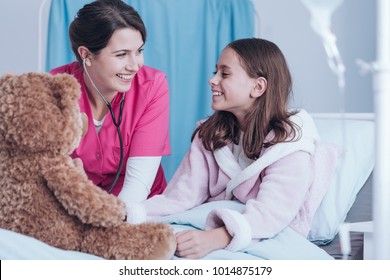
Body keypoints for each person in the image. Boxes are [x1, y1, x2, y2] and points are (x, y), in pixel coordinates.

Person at [126, 38, 338, 259]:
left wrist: (216, 238)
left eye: (224, 74)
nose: (212, 80)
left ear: (258, 87)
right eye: (215, 72)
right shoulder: (209, 135)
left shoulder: (290, 143)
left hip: (261, 233)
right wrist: (130, 214)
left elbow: (272, 213)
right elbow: (180, 198)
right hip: (206, 224)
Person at [50, 0, 171, 210]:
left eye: (139, 51)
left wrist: (112, 221)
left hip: (139, 208)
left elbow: (137, 186)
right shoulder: (54, 89)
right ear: (86, 55)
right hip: (74, 203)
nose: (135, 65)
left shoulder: (152, 86)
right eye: (122, 54)